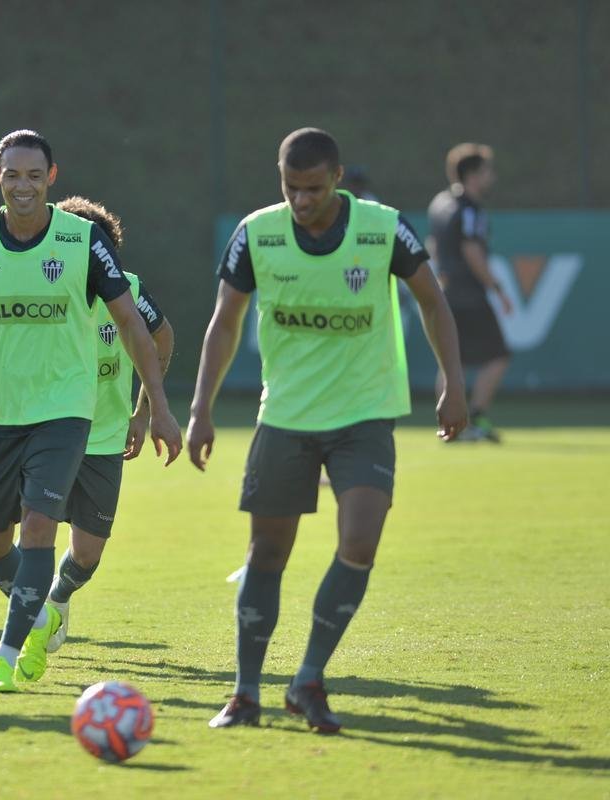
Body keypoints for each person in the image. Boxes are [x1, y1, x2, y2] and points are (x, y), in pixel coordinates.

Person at [187, 128, 467, 733]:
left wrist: (454, 382)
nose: (301, 200)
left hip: (364, 416)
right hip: (285, 416)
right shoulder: (256, 234)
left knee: (360, 542)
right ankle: (244, 693)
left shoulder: (383, 228)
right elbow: (224, 324)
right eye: (291, 188)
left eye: (313, 189)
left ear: (337, 178)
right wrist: (200, 409)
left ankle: (308, 679)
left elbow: (432, 300)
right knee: (267, 554)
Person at [0, 130, 182, 693]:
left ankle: (5, 652)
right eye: (12, 174)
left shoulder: (83, 243)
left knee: (42, 528)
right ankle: (40, 614)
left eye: (33, 175)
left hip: (67, 411)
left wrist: (155, 409)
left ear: (51, 178)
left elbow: (138, 328)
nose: (22, 185)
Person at [27, 195, 174, 660]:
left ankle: (57, 597)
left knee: (87, 554)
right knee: (34, 532)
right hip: (46, 433)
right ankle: (25, 623)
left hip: (105, 438)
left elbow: (162, 336)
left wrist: (144, 410)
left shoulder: (127, 289)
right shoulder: (42, 286)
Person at [428, 143, 510, 442]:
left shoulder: (440, 202)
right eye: (487, 172)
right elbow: (472, 250)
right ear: (473, 175)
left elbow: (433, 244)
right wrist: (498, 289)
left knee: (452, 361)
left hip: (447, 293)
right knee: (499, 356)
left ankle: (449, 427)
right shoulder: (470, 209)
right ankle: (475, 417)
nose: (492, 178)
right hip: (469, 296)